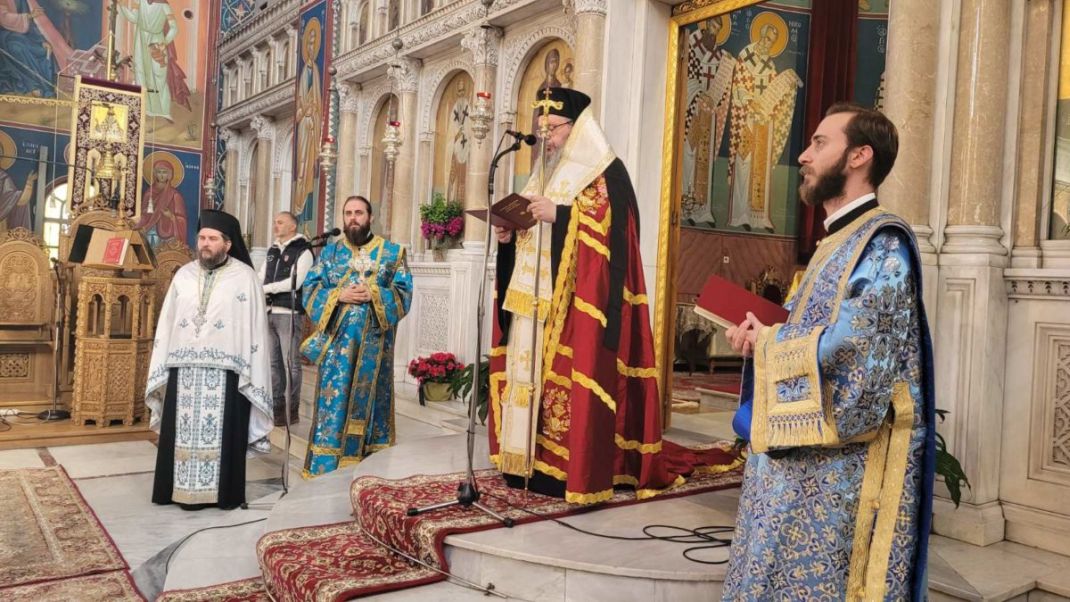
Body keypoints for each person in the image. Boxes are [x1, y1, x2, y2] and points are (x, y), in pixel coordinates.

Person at [722, 103, 935, 600]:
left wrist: (770, 341)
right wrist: (761, 335)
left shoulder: (883, 243)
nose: (803, 155)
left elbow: (859, 347)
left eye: (819, 143)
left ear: (859, 156)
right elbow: (808, 329)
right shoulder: (835, 242)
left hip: (840, 471)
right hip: (795, 458)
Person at [490, 87, 737, 504]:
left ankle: (567, 471)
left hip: (575, 309)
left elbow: (614, 236)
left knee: (567, 389)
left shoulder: (604, 171)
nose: (545, 138)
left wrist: (560, 214)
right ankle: (525, 462)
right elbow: (534, 232)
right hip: (533, 305)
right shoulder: (544, 173)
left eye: (552, 129)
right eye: (541, 129)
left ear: (575, 127)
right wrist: (510, 235)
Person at [146, 209, 273, 510]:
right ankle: (175, 491)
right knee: (180, 431)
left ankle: (221, 494)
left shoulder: (245, 278)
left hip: (228, 372)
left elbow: (254, 328)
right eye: (202, 238)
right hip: (184, 371)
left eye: (212, 239)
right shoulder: (184, 274)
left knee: (224, 434)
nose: (205, 244)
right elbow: (168, 321)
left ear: (227, 244)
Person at [300, 195, 413, 477]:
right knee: (334, 403)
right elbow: (310, 289)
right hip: (336, 350)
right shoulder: (329, 254)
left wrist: (373, 293)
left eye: (359, 213)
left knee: (372, 404)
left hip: (375, 350)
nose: (353, 218)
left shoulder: (393, 253)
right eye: (348, 213)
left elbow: (403, 293)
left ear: (370, 217)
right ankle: (327, 466)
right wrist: (339, 295)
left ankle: (372, 468)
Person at [257, 211, 313, 426]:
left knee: (291, 364)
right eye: (274, 222)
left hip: (289, 312)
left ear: (292, 226)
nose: (275, 226)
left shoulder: (303, 250)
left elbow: (295, 283)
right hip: (269, 311)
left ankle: (292, 409)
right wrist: (256, 287)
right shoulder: (272, 250)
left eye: (280, 222)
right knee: (273, 363)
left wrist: (266, 289)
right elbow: (261, 276)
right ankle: (277, 407)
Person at [119, 0, 191, 121]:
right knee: (141, 74)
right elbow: (134, 18)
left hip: (156, 42)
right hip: (140, 41)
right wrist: (121, 6)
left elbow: (174, 28)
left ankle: (163, 111)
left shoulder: (164, 6)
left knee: (159, 77)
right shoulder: (140, 2)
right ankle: (143, 107)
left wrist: (164, 43)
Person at [136, 159, 188, 247]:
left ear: (169, 175)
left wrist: (171, 216)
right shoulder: (149, 194)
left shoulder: (175, 195)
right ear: (155, 174)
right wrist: (149, 212)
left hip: (168, 235)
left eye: (164, 172)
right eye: (159, 172)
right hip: (150, 231)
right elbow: (143, 215)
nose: (162, 175)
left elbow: (182, 220)